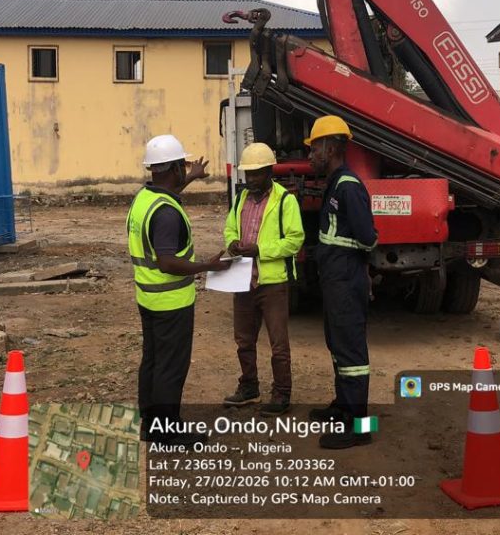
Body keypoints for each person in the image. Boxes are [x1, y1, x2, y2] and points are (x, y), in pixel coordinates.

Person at [127, 134, 231, 446]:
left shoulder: (145, 199)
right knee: (170, 369)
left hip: (149, 298)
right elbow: (168, 262)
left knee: (154, 362)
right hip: (171, 302)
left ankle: (149, 423)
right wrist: (207, 266)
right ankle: (166, 431)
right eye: (182, 167)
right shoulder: (168, 215)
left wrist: (193, 177)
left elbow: (167, 195)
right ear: (172, 169)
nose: (185, 170)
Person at [304, 116, 378, 450]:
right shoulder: (335, 183)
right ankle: (343, 407)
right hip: (336, 280)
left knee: (352, 354)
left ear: (331, 148)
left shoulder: (348, 186)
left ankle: (360, 426)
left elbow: (367, 237)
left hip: (347, 281)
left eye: (314, 148)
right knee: (337, 344)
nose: (310, 156)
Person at [221, 143, 305, 416]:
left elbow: (295, 241)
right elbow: (230, 227)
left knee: (278, 344)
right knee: (244, 340)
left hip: (272, 283)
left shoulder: (284, 201)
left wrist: (260, 250)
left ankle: (282, 394)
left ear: (269, 171)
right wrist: (232, 242)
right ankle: (249, 388)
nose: (251, 180)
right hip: (243, 280)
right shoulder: (240, 199)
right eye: (248, 175)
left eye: (257, 174)